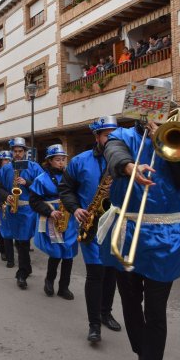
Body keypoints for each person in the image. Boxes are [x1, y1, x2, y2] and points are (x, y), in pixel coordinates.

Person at [100, 111, 180, 360]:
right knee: (130, 302)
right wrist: (128, 167)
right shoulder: (121, 136)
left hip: (166, 235)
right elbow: (113, 152)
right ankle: (142, 351)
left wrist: (165, 142)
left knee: (156, 310)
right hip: (127, 230)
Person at [59, 116, 122, 343]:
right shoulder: (79, 161)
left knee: (112, 273)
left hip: (118, 224)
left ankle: (106, 313)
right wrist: (75, 209)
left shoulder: (126, 159)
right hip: (92, 223)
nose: (112, 139)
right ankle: (94, 324)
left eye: (115, 134)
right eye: (107, 135)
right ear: (97, 137)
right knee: (96, 274)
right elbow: (66, 189)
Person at [30, 144, 78, 300]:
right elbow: (34, 201)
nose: (62, 163)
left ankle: (64, 287)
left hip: (69, 218)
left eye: (64, 159)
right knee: (56, 254)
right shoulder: (41, 179)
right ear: (49, 161)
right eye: (58, 160)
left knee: (69, 254)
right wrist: (50, 212)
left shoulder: (71, 177)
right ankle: (49, 281)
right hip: (53, 218)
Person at [0, 137, 43, 289]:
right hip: (12, 209)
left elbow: (44, 187)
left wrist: (28, 183)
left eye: (20, 151)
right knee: (19, 241)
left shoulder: (34, 167)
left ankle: (22, 273)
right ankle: (25, 269)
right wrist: (6, 196)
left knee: (22, 241)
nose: (17, 154)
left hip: (28, 210)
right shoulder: (6, 168)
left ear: (25, 152)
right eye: (15, 151)